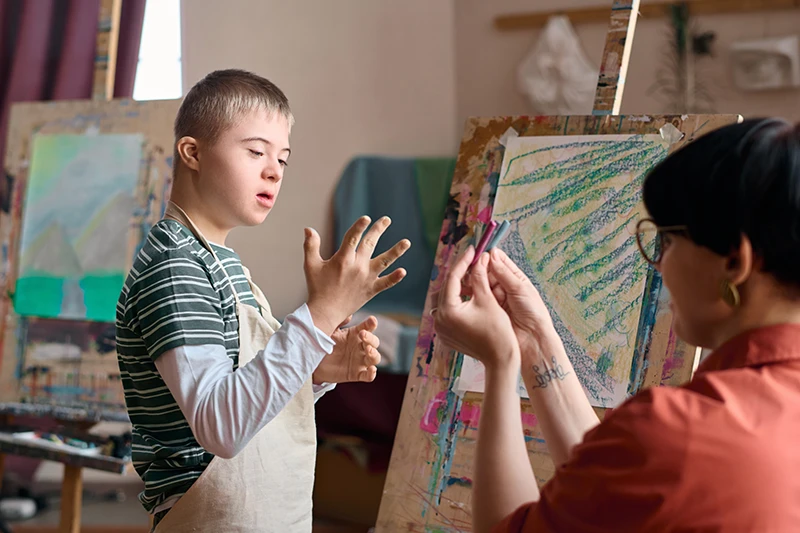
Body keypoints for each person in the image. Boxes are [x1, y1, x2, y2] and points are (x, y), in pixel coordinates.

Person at [433, 118, 800, 532]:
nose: (657, 263)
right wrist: (534, 340)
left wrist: (501, 362)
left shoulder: (684, 435)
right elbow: (614, 489)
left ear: (734, 261)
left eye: (668, 241)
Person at [115, 69, 410, 532]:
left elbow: (243, 392)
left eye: (283, 159)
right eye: (255, 151)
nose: (273, 170)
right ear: (192, 152)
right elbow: (221, 426)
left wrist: (313, 370)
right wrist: (321, 315)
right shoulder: (175, 267)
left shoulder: (221, 261)